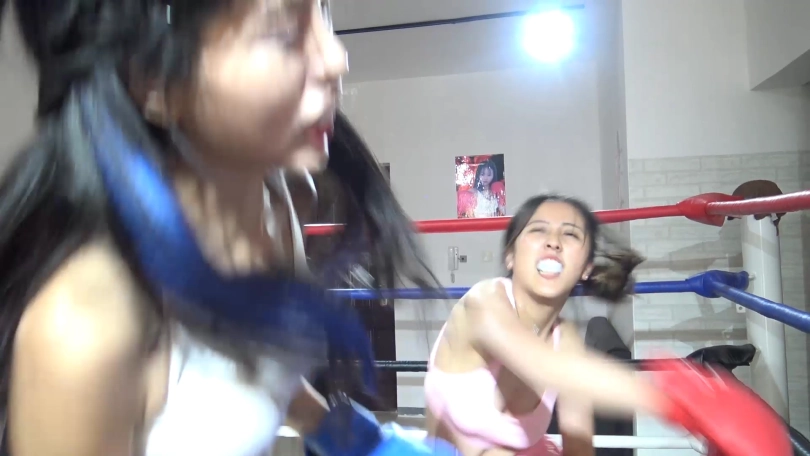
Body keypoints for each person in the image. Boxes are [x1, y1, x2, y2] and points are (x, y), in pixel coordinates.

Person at [0, 1, 448, 456]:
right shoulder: (83, 330)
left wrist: (357, 440)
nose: (337, 59)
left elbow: (263, 370)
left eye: (323, 13)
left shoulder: (278, 206)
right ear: (154, 83)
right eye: (282, 32)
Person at [425, 194, 790, 456]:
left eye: (570, 235)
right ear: (510, 255)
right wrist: (685, 402)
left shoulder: (565, 338)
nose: (553, 242)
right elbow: (538, 364)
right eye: (538, 231)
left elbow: (579, 443)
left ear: (585, 267)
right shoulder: (483, 303)